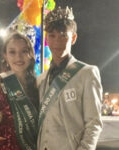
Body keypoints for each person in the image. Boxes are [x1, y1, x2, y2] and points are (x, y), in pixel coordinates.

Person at [37, 6, 103, 150]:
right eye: (52, 35)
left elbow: (94, 124)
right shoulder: (41, 79)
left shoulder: (87, 73)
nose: (57, 42)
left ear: (73, 38)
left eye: (63, 35)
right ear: (46, 38)